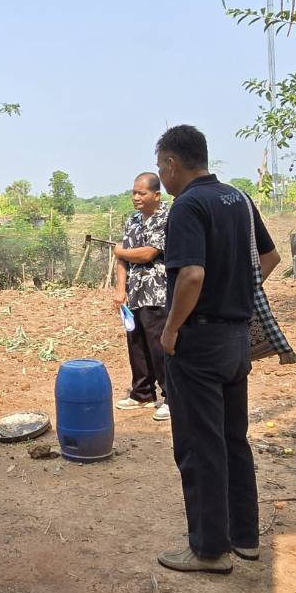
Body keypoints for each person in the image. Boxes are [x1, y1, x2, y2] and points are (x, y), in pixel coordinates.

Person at [153, 125, 268, 575]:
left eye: (161, 165)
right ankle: (245, 538)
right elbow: (270, 257)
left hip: (198, 341)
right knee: (233, 440)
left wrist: (171, 330)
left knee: (200, 446)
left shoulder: (187, 207)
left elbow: (192, 276)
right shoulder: (238, 199)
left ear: (171, 163)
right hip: (236, 339)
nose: (162, 175)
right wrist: (236, 292)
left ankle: (208, 550)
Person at [112, 172, 170, 422]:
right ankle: (142, 394)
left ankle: (171, 397)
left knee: (160, 346)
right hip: (134, 293)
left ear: (156, 195)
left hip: (158, 292)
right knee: (136, 343)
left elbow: (149, 253)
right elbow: (122, 259)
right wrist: (120, 290)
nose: (136, 197)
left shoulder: (168, 217)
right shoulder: (132, 220)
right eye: (134, 192)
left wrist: (121, 251)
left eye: (141, 193)